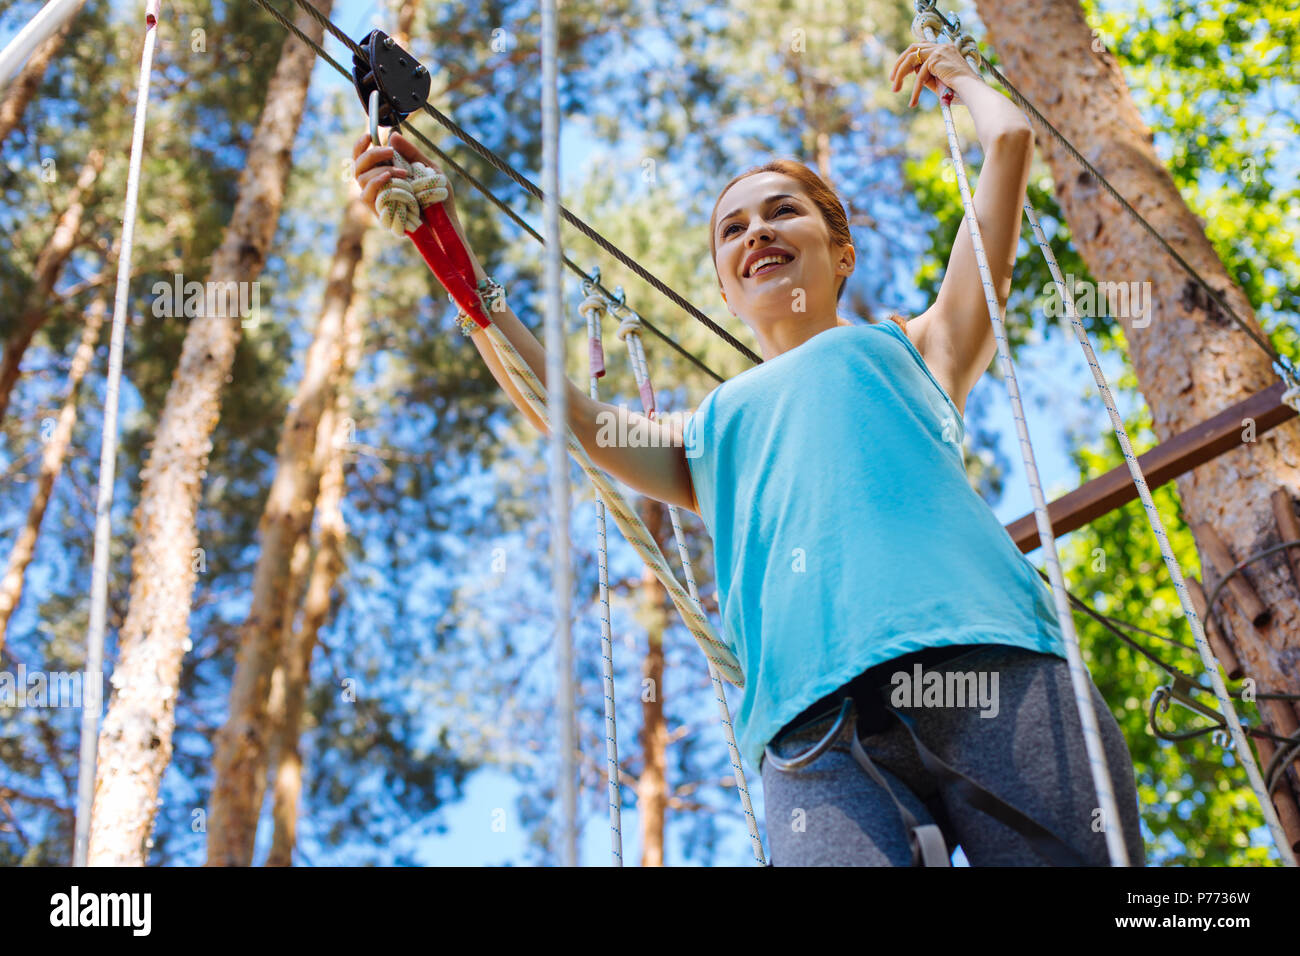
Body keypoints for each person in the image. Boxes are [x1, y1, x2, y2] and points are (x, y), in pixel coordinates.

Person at [350, 40, 1144, 866]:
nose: (756, 230)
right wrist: (447, 250)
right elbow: (566, 410)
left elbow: (1008, 147)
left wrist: (963, 78)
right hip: (811, 730)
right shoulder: (712, 430)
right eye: (734, 228)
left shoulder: (924, 344)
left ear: (843, 254)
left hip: (990, 669)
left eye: (781, 212)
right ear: (727, 291)